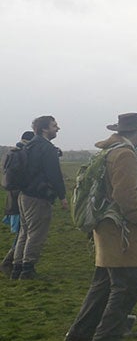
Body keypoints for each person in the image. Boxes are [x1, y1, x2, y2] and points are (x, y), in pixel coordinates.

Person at [61, 112, 137, 341]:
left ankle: (80, 333)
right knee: (126, 287)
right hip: (121, 232)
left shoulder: (110, 151)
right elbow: (125, 195)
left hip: (106, 228)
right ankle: (105, 338)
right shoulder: (125, 154)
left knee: (102, 285)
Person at [4, 115, 63, 280]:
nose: (57, 128)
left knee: (24, 232)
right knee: (36, 233)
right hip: (38, 196)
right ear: (44, 129)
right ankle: (27, 269)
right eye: (54, 125)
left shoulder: (28, 146)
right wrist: (62, 196)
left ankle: (17, 267)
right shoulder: (46, 148)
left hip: (23, 195)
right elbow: (54, 175)